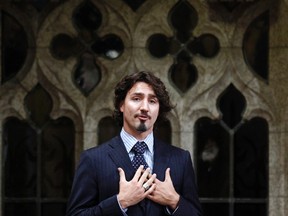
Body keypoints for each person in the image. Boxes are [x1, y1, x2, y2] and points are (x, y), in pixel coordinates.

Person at [66, 71, 202, 216]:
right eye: (136, 98)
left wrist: (174, 200)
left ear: (159, 109)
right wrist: (120, 202)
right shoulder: (92, 159)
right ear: (121, 105)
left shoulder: (181, 159)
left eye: (152, 101)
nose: (145, 107)